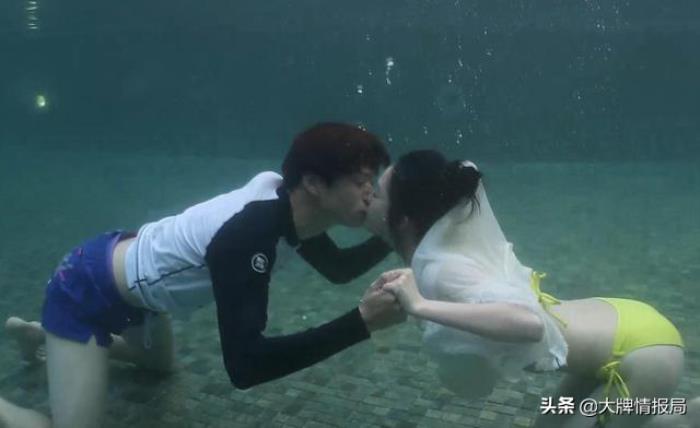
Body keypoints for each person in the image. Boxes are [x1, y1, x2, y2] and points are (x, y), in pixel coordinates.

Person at [0, 122, 405, 428]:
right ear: (314, 183)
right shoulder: (250, 234)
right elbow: (246, 366)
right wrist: (363, 322)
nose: (371, 193)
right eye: (360, 181)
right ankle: (62, 339)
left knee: (161, 368)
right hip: (85, 291)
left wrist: (395, 234)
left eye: (371, 181)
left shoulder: (292, 206)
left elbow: (337, 268)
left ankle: (44, 337)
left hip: (136, 289)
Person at [364, 149, 698, 428]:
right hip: (619, 329)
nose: (368, 198)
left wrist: (420, 305)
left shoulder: (442, 267)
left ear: (404, 219)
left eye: (377, 194)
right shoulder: (446, 247)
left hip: (644, 353)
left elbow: (529, 324)